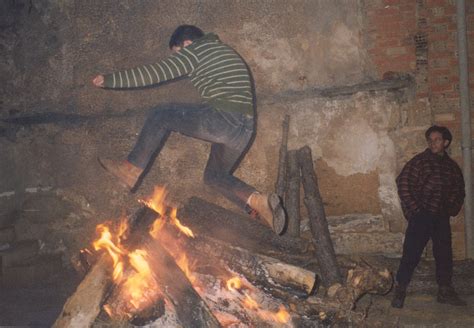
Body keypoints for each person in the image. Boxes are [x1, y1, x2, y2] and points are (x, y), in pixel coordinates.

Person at [92, 25, 286, 234]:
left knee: (162, 113)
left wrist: (110, 80)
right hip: (243, 131)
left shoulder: (198, 49)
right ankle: (257, 203)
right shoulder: (223, 52)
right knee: (214, 176)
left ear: (186, 44)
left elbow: (156, 72)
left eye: (177, 55)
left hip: (225, 119)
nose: (179, 61)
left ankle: (129, 170)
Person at [391, 125, 466, 308]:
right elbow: (403, 183)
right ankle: (400, 290)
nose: (433, 143)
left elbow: (459, 190)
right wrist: (416, 210)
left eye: (437, 140)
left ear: (445, 142)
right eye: (430, 140)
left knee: (444, 254)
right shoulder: (420, 161)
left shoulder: (451, 167)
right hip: (422, 215)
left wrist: (451, 208)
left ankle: (445, 290)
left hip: (441, 217)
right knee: (411, 253)